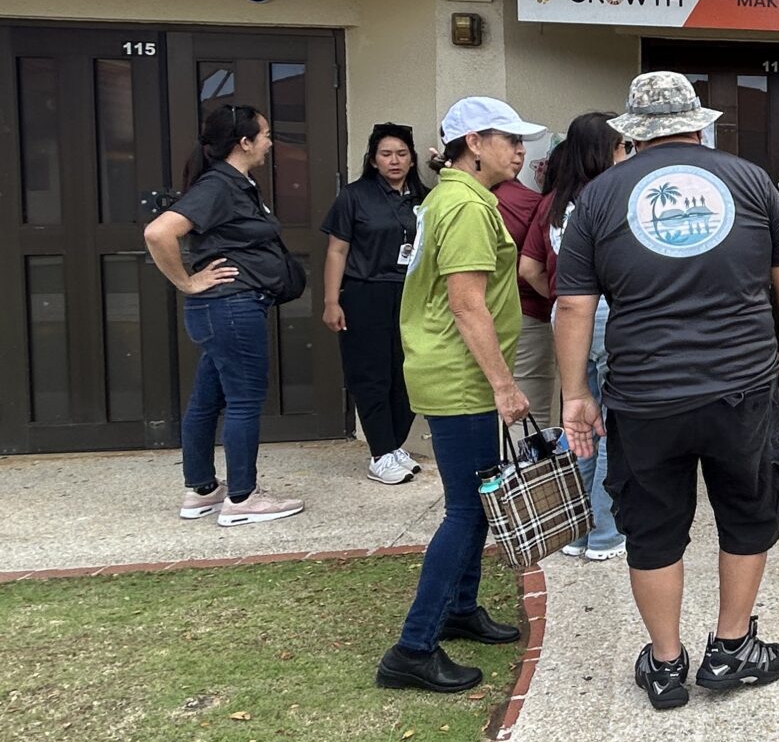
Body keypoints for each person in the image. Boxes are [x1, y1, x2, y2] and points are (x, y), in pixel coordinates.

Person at [555, 72, 779, 712]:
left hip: (644, 393)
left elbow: (573, 307)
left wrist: (574, 394)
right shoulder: (750, 181)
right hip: (742, 387)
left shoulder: (598, 198)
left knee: (652, 526)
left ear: (634, 132)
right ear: (700, 124)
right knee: (749, 509)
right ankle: (731, 648)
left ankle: (666, 665)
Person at [375, 97, 544, 694]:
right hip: (462, 378)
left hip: (452, 371)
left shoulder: (453, 197)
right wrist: (504, 384)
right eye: (511, 139)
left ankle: (459, 609)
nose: (521, 150)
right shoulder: (466, 208)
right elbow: (466, 302)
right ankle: (413, 647)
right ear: (474, 142)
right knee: (469, 510)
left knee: (473, 503)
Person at [143, 104, 305, 527]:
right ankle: (242, 498)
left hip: (224, 311)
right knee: (244, 402)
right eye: (265, 134)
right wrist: (187, 281)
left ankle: (201, 491)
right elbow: (159, 232)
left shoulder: (236, 183)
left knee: (207, 401)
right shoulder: (218, 186)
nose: (271, 142)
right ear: (244, 142)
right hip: (231, 308)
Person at [520, 111, 627, 562]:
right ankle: (604, 533)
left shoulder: (551, 203)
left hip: (565, 317)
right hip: (606, 314)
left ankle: (577, 533)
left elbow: (528, 268)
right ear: (605, 151)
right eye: (622, 147)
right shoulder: (613, 197)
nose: (627, 155)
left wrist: (563, 300)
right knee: (609, 428)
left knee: (577, 423)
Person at [322, 122, 429, 487]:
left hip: (410, 294)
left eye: (401, 154)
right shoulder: (354, 196)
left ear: (413, 159)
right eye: (386, 154)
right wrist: (331, 300)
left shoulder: (425, 198)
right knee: (371, 375)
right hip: (364, 293)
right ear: (373, 159)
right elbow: (337, 250)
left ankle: (393, 444)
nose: (394, 161)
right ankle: (381, 453)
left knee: (406, 373)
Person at [493, 145, 556, 429]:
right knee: (529, 416)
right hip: (528, 313)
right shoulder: (532, 203)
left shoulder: (449, 199)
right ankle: (525, 474)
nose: (519, 152)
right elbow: (530, 269)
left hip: (483, 315)